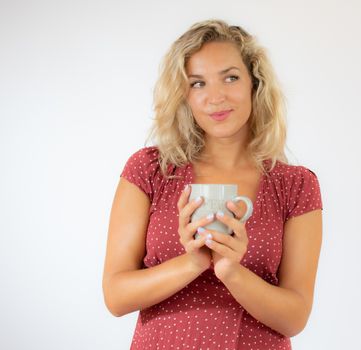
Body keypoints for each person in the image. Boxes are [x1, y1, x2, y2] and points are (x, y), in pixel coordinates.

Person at [102, 19, 323, 350]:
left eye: (231, 78)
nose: (215, 97)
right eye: (197, 83)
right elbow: (116, 297)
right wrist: (193, 261)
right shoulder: (150, 170)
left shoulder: (295, 185)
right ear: (183, 95)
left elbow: (295, 317)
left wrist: (231, 271)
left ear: (255, 83)